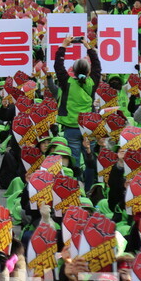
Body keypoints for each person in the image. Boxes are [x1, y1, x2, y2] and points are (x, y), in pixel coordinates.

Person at [54, 35, 101, 177]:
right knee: (89, 158)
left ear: (73, 71)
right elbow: (97, 65)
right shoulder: (92, 82)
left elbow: (58, 66)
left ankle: (75, 184)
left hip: (71, 128)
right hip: (88, 128)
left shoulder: (67, 82)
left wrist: (64, 45)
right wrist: (88, 47)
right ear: (88, 72)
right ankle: (90, 185)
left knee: (73, 159)